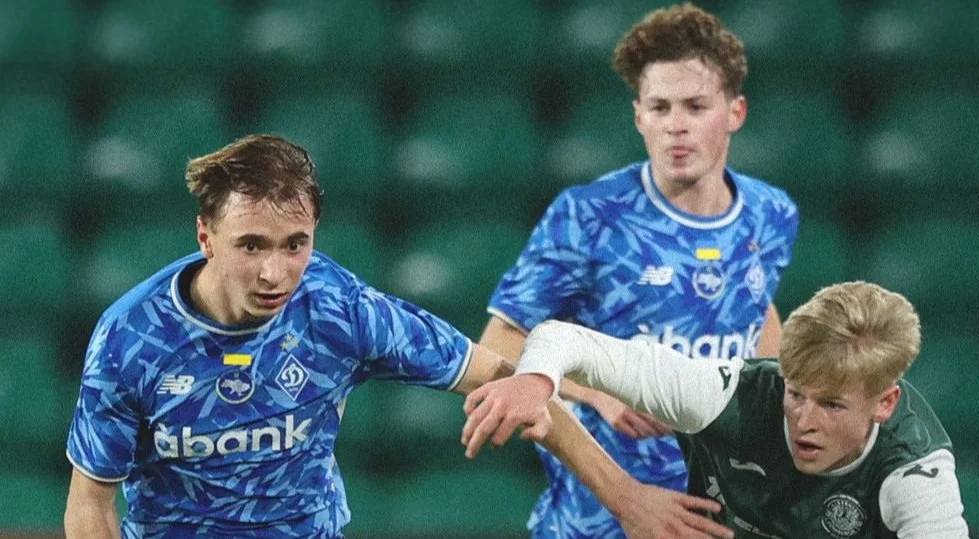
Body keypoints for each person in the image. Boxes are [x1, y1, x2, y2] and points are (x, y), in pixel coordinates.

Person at [63, 134, 708, 539]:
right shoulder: (130, 339)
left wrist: (627, 499)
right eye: (250, 245)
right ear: (205, 236)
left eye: (295, 245)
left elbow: (510, 382)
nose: (275, 272)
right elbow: (90, 503)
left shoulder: (339, 310)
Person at [478, 3, 798, 537]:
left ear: (735, 112)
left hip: (720, 514)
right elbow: (497, 344)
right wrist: (597, 390)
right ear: (639, 117)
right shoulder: (588, 217)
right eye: (660, 107)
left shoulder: (772, 214)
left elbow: (757, 313)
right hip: (596, 518)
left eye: (695, 106)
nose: (676, 126)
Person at [463, 281, 970, 538]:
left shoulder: (916, 476)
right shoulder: (726, 395)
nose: (804, 421)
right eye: (796, 394)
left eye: (832, 405)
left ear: (885, 403)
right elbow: (565, 339)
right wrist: (536, 380)